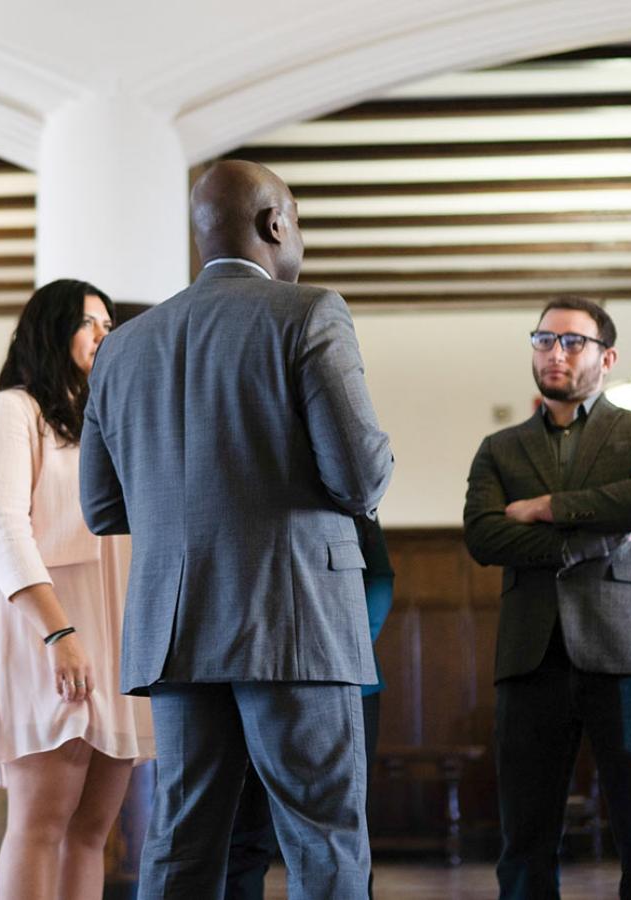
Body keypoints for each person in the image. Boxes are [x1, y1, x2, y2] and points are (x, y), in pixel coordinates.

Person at [80, 160, 394, 900]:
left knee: (183, 845)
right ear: (275, 223)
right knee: (324, 842)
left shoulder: (124, 345)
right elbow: (360, 477)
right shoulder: (309, 312)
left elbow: (100, 507)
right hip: (293, 625)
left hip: (176, 630)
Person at [463, 296, 631, 900]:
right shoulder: (499, 448)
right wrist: (590, 539)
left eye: (571, 341)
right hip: (530, 655)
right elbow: (483, 536)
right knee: (525, 845)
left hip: (629, 647)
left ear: (607, 356)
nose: (553, 352)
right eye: (543, 339)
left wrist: (545, 509)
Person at [0, 278, 155, 900]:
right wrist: (59, 633)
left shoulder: (107, 419)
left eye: (108, 323)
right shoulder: (9, 412)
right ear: (51, 330)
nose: (104, 334)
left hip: (113, 621)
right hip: (44, 623)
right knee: (42, 822)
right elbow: (4, 531)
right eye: (89, 322)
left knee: (94, 829)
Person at [224, 514, 394, 900]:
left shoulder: (350, 496)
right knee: (243, 832)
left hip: (348, 681)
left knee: (340, 838)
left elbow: (380, 578)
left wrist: (343, 652)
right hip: (248, 672)